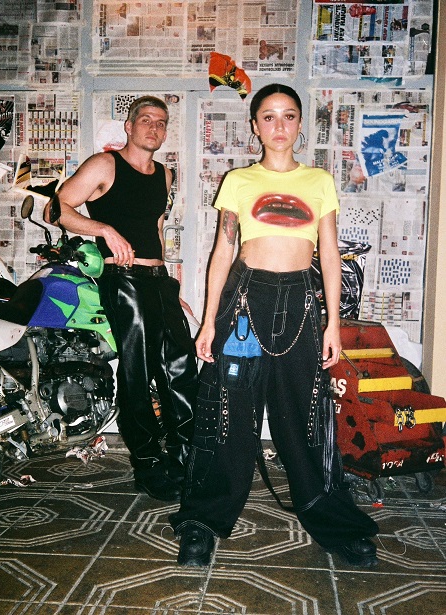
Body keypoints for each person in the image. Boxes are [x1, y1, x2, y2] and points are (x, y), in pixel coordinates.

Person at [169, 83, 379, 568]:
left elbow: (330, 254)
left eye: (288, 116)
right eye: (268, 116)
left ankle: (335, 524)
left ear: (300, 124)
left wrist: (334, 323)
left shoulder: (319, 181)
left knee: (306, 418)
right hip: (245, 302)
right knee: (227, 413)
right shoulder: (239, 181)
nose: (279, 125)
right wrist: (208, 322)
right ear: (255, 126)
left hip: (301, 304)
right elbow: (223, 250)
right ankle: (203, 521)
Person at [43, 95, 198, 502]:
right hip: (123, 279)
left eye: (161, 122)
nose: (153, 128)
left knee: (181, 369)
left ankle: (185, 458)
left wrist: (169, 288)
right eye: (145, 120)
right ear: (129, 126)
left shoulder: (165, 175)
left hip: (157, 279)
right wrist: (104, 230)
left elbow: (157, 229)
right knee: (137, 373)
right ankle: (147, 464)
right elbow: (55, 210)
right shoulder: (105, 165)